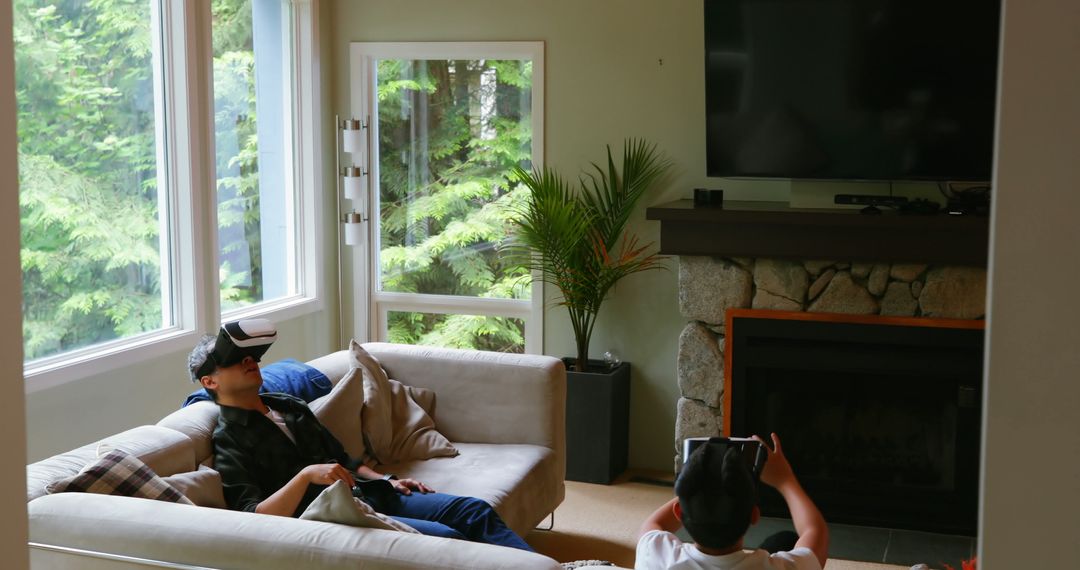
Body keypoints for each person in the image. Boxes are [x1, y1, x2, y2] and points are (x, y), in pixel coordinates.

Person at [187, 319, 533, 551]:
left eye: (251, 357)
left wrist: (387, 479)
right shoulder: (228, 438)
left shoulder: (288, 404)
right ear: (210, 382)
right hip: (337, 516)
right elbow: (254, 517)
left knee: (473, 511)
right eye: (236, 360)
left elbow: (344, 459)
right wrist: (306, 476)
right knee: (449, 542)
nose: (251, 362)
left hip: (371, 492)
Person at [635, 434, 828, 570]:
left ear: (679, 511)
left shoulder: (656, 558)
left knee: (780, 542)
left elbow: (653, 524)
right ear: (754, 515)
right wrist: (785, 480)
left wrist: (699, 481)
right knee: (786, 540)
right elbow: (815, 530)